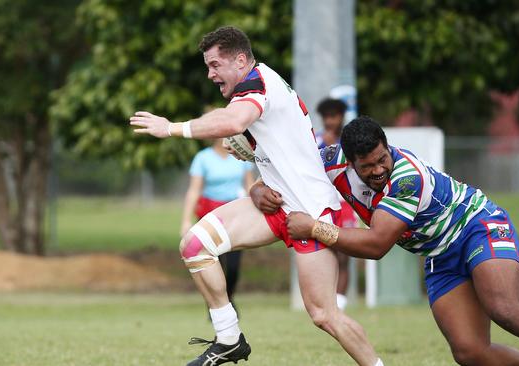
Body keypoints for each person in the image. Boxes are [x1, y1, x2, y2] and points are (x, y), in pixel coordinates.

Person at [252, 116, 519, 366]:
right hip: (438, 253)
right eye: (367, 166)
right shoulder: (330, 163)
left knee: (504, 308)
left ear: (387, 148)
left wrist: (314, 229)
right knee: (469, 352)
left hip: (476, 225)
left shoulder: (406, 177)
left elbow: (377, 246)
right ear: (348, 161)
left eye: (382, 159)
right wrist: (258, 190)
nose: (377, 171)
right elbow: (283, 174)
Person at [129, 26, 383, 366]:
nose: (210, 74)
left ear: (240, 60)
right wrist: (256, 185)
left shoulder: (257, 85)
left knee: (324, 315)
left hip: (310, 212)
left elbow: (233, 122)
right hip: (277, 205)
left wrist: (172, 128)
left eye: (215, 65)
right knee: (195, 245)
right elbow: (262, 147)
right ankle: (229, 338)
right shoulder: (252, 90)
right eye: (207, 65)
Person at [181, 138, 254, 305]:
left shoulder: (241, 154)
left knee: (234, 266)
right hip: (211, 216)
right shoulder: (202, 158)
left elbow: (250, 186)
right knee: (214, 263)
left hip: (236, 216)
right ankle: (217, 303)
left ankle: (228, 297)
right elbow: (194, 190)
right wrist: (186, 220)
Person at [316, 98, 356, 310]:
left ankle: (339, 305)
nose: (331, 120)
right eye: (327, 117)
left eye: (335, 116)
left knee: (344, 256)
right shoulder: (316, 141)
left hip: (346, 203)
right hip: (324, 203)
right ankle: (325, 301)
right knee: (324, 254)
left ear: (342, 116)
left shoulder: (351, 142)